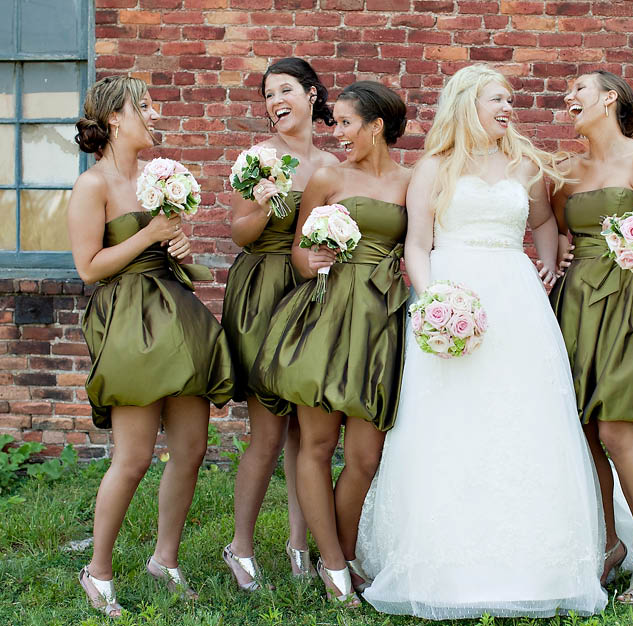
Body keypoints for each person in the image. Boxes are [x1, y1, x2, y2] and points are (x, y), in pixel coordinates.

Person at [356, 64, 608, 619]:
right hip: (453, 295)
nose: (507, 108)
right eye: (497, 99)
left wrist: (548, 264)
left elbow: (543, 222)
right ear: (467, 103)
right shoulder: (434, 167)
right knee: (452, 419)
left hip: (516, 302)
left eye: (509, 100)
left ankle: (536, 564)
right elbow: (417, 245)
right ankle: (446, 563)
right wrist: (434, 301)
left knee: (521, 416)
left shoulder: (525, 163)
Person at [68, 76, 234, 617]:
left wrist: (179, 245)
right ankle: (97, 571)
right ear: (115, 118)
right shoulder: (92, 185)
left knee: (191, 448)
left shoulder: (159, 177)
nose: (154, 112)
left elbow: (168, 248)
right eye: (144, 105)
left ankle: (165, 560)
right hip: (128, 323)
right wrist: (149, 234)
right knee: (135, 457)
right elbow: (89, 267)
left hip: (176, 319)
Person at [251, 81, 411, 605]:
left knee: (365, 456)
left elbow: (424, 246)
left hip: (380, 324)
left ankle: (337, 552)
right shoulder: (327, 178)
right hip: (326, 316)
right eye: (334, 122)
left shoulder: (411, 182)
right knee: (317, 447)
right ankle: (337, 566)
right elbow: (299, 254)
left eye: (345, 123)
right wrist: (312, 258)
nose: (336, 133)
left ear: (376, 126)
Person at [550, 70, 633, 605]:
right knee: (583, 430)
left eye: (578, 87)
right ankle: (608, 544)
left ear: (610, 98)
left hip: (629, 302)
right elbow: (558, 232)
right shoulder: (564, 171)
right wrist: (562, 251)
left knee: (617, 429)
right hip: (576, 303)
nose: (568, 95)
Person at [221, 58, 338, 589]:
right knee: (267, 431)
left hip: (310, 292)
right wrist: (267, 206)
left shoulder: (330, 163)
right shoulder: (258, 159)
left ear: (311, 95)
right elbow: (238, 233)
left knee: (304, 429)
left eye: (284, 90)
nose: (275, 102)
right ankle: (241, 548)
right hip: (264, 291)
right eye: (268, 95)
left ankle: (298, 544)